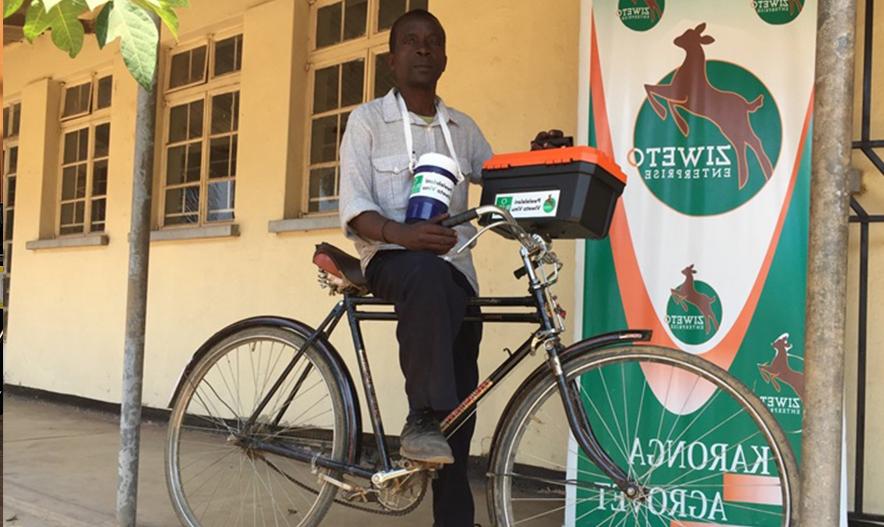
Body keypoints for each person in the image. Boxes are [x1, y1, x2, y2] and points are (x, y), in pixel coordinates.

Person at [338, 9, 490, 527]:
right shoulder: (366, 122)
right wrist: (402, 234)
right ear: (392, 58)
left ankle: (452, 514)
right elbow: (355, 207)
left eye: (432, 43)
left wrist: (542, 161)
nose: (423, 50)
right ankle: (422, 416)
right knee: (423, 276)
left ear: (444, 58)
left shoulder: (462, 128)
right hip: (391, 262)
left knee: (463, 389)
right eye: (411, 42)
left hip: (455, 271)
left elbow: (501, 186)